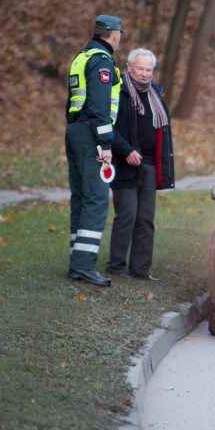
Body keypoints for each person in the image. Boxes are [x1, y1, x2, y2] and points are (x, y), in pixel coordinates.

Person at [106, 48, 175, 281]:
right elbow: (108, 127)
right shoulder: (119, 91)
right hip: (125, 164)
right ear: (129, 68)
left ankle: (141, 269)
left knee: (146, 218)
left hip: (149, 165)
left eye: (149, 69)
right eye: (140, 68)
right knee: (127, 215)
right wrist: (125, 150)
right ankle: (116, 266)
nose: (145, 74)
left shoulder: (156, 92)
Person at [65, 15, 124, 287]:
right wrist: (106, 144)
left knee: (80, 196)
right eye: (119, 33)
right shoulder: (102, 61)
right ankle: (84, 265)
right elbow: (100, 107)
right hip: (91, 134)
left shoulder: (82, 57)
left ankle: (78, 260)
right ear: (113, 35)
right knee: (96, 198)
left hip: (75, 130)